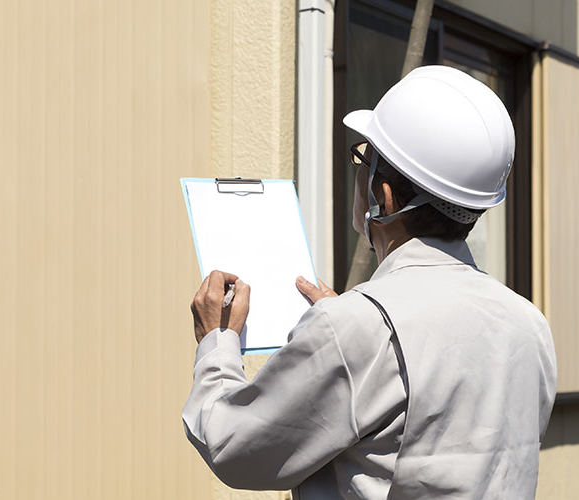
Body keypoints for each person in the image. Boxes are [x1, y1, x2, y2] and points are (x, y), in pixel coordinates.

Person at [182, 65, 557, 499]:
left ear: (385, 196)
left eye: (364, 159)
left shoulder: (359, 328)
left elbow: (235, 447)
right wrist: (348, 328)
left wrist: (216, 342)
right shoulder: (529, 324)